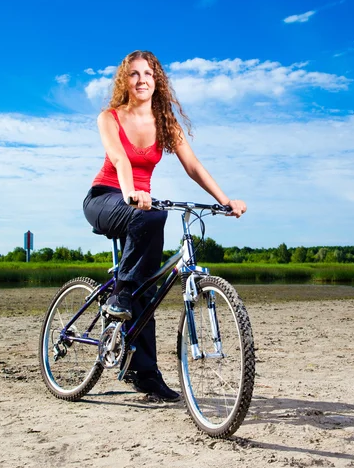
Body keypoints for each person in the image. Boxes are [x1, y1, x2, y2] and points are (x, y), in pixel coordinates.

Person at [83, 50, 247, 401]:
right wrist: (130, 191)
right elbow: (119, 157)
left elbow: (193, 165)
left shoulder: (165, 121)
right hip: (106, 198)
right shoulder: (109, 117)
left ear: (157, 81)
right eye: (134, 74)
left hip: (142, 210)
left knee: (149, 290)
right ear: (124, 81)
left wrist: (225, 199)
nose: (142, 80)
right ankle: (119, 295)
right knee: (153, 217)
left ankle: (146, 375)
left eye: (148, 74)